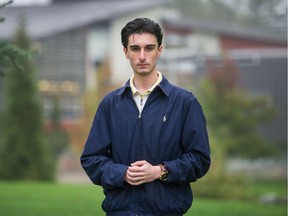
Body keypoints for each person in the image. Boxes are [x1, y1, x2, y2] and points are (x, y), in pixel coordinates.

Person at [80, 18, 211, 216]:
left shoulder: (185, 103)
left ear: (160, 50)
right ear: (125, 52)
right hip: (120, 212)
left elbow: (200, 159)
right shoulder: (110, 104)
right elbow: (91, 159)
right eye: (135, 48)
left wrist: (160, 171)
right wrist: (122, 174)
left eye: (149, 48)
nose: (142, 56)